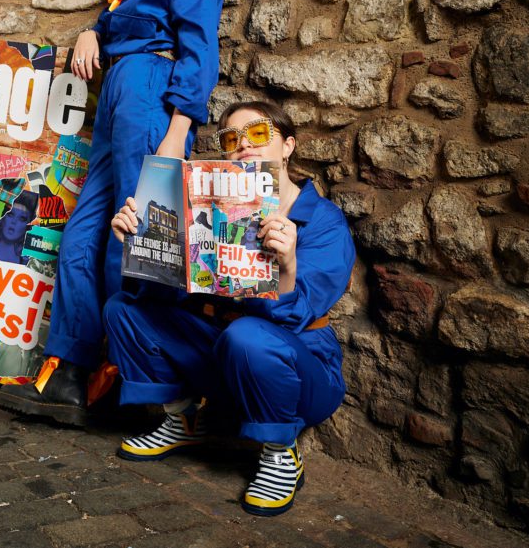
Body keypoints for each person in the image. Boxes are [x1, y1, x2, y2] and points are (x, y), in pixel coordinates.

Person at [0, 0, 223, 425]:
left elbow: (200, 62)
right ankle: (69, 371)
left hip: (151, 99)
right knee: (83, 234)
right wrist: (91, 30)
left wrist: (174, 142)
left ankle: (132, 387)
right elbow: (113, 20)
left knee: (136, 242)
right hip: (115, 102)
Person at [104, 101, 355, 517]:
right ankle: (184, 420)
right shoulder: (209, 210)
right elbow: (167, 296)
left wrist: (287, 266)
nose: (243, 146)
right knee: (123, 310)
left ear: (288, 146)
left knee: (248, 336)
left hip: (301, 370)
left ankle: (279, 452)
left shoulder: (324, 221)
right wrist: (135, 244)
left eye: (258, 134)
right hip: (221, 358)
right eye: (231, 139)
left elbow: (299, 314)